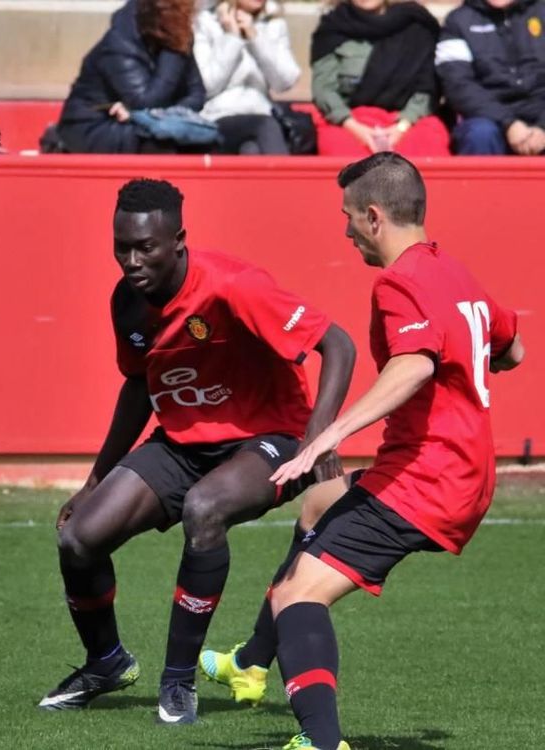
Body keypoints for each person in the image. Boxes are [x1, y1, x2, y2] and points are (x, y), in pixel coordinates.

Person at [203, 152, 524, 750]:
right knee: (319, 504)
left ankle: (321, 742)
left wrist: (328, 435)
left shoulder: (398, 282)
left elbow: (414, 365)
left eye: (349, 217)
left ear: (374, 216)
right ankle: (251, 661)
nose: (345, 230)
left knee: (301, 593)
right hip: (462, 472)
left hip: (428, 480)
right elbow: (514, 349)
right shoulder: (455, 274)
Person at [36, 178, 357, 726]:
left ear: (178, 241)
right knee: (78, 538)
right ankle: (106, 662)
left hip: (271, 438)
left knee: (205, 509)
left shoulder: (234, 286)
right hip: (182, 444)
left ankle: (178, 680)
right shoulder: (127, 302)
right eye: (121, 247)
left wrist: (319, 437)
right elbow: (139, 387)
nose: (131, 260)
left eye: (146, 247)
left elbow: (337, 343)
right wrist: (96, 479)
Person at [57, 0, 207, 153]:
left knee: (209, 138)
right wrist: (174, 48)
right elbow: (146, 102)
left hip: (144, 121)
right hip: (94, 126)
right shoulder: (120, 43)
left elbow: (197, 95)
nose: (191, 18)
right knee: (164, 145)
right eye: (186, 11)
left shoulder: (176, 36)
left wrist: (154, 114)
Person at [311, 0, 450, 157]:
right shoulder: (332, 27)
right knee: (344, 157)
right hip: (348, 121)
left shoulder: (417, 25)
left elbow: (428, 86)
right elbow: (324, 88)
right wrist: (355, 128)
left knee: (427, 150)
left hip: (409, 120)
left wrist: (401, 127)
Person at [436, 0, 545, 155]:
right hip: (489, 117)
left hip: (540, 110)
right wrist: (509, 123)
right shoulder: (458, 21)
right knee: (479, 134)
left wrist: (542, 127)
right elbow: (457, 84)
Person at [194, 0, 302, 154]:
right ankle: (289, 179)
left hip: (262, 116)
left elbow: (284, 82)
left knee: (252, 150)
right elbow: (206, 86)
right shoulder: (204, 22)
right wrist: (232, 37)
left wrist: (255, 38)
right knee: (265, 127)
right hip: (218, 117)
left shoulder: (274, 24)